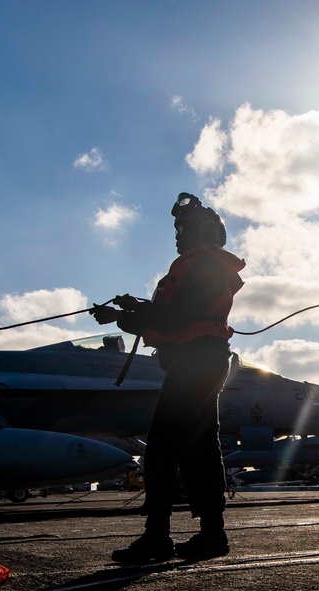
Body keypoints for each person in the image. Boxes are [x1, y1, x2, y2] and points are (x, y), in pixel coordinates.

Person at [92, 192, 246, 563]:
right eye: (177, 227)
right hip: (203, 361)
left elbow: (176, 319)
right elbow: (180, 312)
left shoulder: (202, 266)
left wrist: (122, 319)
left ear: (205, 231)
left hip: (195, 363)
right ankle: (212, 535)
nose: (178, 234)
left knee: (161, 450)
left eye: (185, 227)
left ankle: (157, 537)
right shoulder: (203, 266)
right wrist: (136, 309)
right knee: (201, 449)